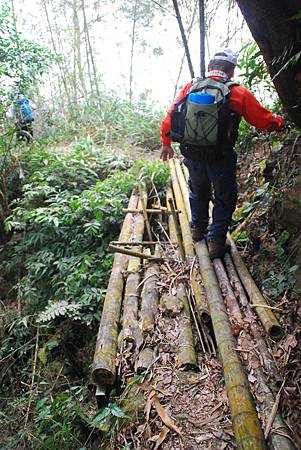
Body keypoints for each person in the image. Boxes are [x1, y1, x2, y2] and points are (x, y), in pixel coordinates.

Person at [160, 48, 284, 259]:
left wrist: (166, 143)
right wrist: (279, 124)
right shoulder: (236, 92)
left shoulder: (191, 87)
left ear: (210, 67)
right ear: (231, 70)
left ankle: (198, 229)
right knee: (224, 197)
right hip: (221, 156)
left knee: (198, 191)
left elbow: (171, 116)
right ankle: (216, 242)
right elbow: (262, 120)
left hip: (193, 154)